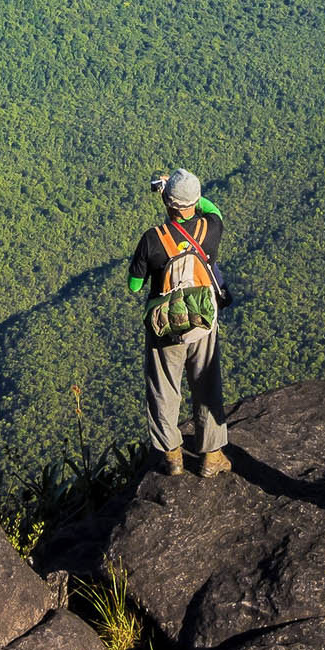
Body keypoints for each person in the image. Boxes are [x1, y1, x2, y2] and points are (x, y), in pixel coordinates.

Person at [127, 168, 230, 477]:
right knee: (206, 383)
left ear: (168, 203)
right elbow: (213, 210)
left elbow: (134, 285)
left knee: (163, 388)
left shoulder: (152, 239)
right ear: (195, 202)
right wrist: (191, 198)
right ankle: (212, 456)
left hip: (165, 327)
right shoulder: (211, 229)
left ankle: (172, 456)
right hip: (202, 321)